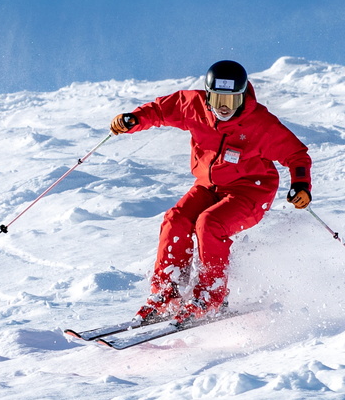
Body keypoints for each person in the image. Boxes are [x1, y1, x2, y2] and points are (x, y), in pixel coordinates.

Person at [109, 60, 312, 324]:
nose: (224, 107)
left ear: (243, 97)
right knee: (176, 219)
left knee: (210, 223)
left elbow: (296, 154)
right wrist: (133, 120)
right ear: (207, 95)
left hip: (251, 190)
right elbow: (159, 111)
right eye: (217, 98)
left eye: (232, 99)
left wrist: (301, 186)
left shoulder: (259, 123)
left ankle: (210, 296)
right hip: (209, 185)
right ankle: (166, 294)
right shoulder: (193, 106)